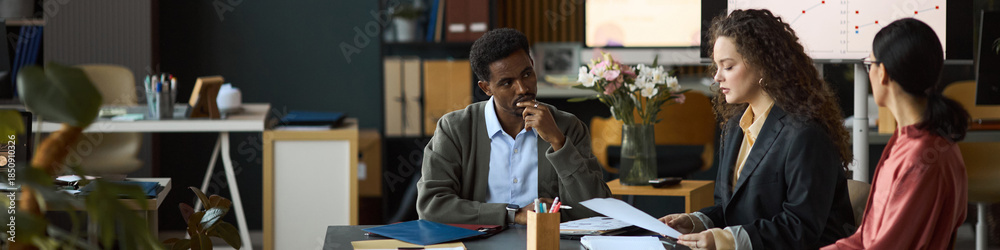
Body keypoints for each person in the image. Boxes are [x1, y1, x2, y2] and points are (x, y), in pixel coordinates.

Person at [658, 9, 856, 249]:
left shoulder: (805, 134)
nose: (717, 77)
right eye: (716, 67)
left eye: (728, 66)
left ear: (763, 66)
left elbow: (800, 227)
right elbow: (729, 209)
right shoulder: (734, 127)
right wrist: (696, 222)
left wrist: (725, 240)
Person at [416, 28, 611, 225]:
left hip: (546, 242)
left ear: (533, 66)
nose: (523, 88)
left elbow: (598, 208)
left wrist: (559, 143)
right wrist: (513, 215)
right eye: (507, 83)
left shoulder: (567, 127)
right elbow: (431, 205)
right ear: (486, 88)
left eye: (527, 74)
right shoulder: (455, 129)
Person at [822, 18, 969, 250]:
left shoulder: (918, 157)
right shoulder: (916, 142)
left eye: (870, 63)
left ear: (883, 73)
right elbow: (866, 237)